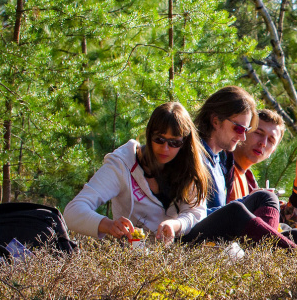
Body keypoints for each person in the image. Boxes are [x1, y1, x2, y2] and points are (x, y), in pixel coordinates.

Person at [64, 102, 210, 242]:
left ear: (184, 143)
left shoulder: (188, 166)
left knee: (232, 211)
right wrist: (109, 225)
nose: (165, 148)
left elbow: (196, 213)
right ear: (148, 135)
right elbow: (73, 212)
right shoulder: (121, 165)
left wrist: (175, 225)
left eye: (174, 142)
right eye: (159, 139)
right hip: (136, 255)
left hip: (182, 251)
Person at [180, 86, 297, 249]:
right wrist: (246, 205)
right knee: (259, 200)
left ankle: (289, 258)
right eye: (239, 128)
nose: (243, 136)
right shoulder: (193, 155)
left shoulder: (218, 161)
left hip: (214, 238)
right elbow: (187, 214)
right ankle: (272, 262)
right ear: (215, 121)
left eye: (247, 130)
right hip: (187, 240)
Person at [222, 109, 297, 250]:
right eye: (258, 133)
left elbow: (289, 225)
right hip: (217, 242)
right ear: (244, 133)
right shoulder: (222, 163)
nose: (263, 143)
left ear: (273, 151)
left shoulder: (249, 180)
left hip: (240, 248)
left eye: (271, 140)